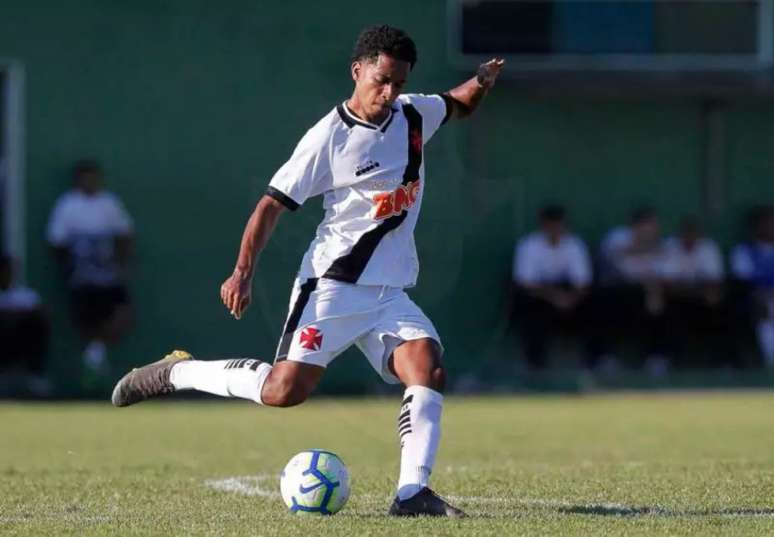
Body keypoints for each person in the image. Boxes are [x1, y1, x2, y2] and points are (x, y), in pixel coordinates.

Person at [111, 25, 504, 517]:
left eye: (398, 83)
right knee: (282, 392)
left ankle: (411, 494)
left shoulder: (414, 114)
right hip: (333, 287)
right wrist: (241, 273)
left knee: (428, 367)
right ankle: (179, 371)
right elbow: (269, 207)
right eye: (381, 79)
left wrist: (482, 82)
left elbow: (457, 103)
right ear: (357, 71)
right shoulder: (328, 139)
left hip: (389, 292)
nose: (389, 92)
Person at [47, 160, 134, 373]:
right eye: (86, 177)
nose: (90, 182)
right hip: (82, 276)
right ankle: (92, 366)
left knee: (122, 315)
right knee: (87, 321)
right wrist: (70, 267)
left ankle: (96, 353)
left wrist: (121, 264)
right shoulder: (68, 205)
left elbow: (124, 234)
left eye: (94, 177)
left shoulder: (109, 203)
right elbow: (56, 241)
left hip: (109, 275)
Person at [511, 205, 593, 369]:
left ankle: (595, 361)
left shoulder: (574, 245)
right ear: (543, 226)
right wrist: (555, 297)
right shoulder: (529, 245)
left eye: (559, 225)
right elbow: (525, 283)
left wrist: (569, 298)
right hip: (539, 298)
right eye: (551, 225)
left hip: (570, 298)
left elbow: (583, 282)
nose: (555, 229)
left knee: (596, 305)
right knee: (529, 308)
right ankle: (535, 364)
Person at [594, 208, 670, 374]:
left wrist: (653, 290)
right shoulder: (617, 237)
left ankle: (657, 358)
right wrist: (644, 246)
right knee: (605, 303)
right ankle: (605, 358)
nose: (653, 230)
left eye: (654, 226)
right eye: (649, 225)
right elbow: (615, 265)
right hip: (615, 293)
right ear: (637, 225)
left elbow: (659, 274)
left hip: (645, 295)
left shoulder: (661, 244)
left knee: (663, 306)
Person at [661, 217, 736, 367]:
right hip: (676, 301)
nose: (689, 238)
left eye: (693, 235)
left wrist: (693, 289)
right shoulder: (669, 247)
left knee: (722, 308)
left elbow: (715, 282)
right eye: (686, 235)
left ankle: (724, 361)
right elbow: (667, 284)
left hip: (705, 301)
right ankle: (665, 360)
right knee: (661, 309)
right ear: (680, 235)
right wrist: (696, 289)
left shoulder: (708, 247)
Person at [731, 205, 774, 368]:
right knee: (764, 306)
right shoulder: (744, 250)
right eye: (766, 223)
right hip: (757, 299)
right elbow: (744, 281)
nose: (770, 227)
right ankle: (770, 360)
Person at [0, 255, 49, 376]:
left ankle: (35, 374)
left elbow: (40, 313)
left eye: (8, 270)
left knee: (37, 323)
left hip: (19, 342)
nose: (6, 274)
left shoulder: (27, 295)